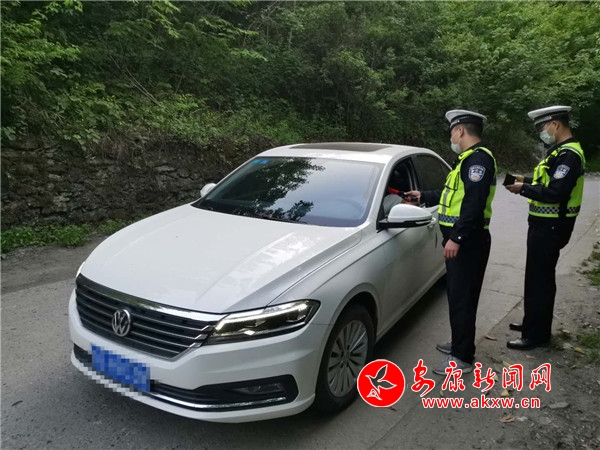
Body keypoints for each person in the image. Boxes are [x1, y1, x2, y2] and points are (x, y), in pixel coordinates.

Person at [405, 110, 497, 374]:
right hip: (465, 240)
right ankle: (460, 343)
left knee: (463, 298)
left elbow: (473, 204)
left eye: (452, 132)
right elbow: (450, 194)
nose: (451, 137)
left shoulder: (478, 160)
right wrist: (423, 195)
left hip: (469, 241)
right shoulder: (466, 160)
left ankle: (462, 357)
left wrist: (456, 237)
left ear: (460, 131)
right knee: (458, 296)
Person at [504, 106, 586, 350]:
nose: (541, 132)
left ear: (556, 125)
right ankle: (531, 323)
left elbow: (555, 192)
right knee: (535, 277)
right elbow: (546, 182)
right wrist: (524, 181)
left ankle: (537, 335)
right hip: (542, 225)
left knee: (540, 280)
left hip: (552, 227)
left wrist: (523, 189)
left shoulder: (569, 155)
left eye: (543, 127)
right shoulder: (559, 152)